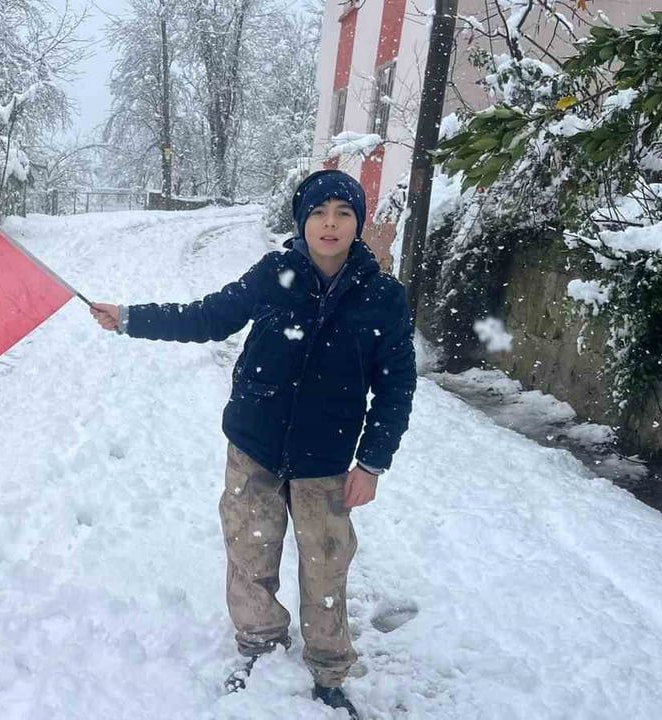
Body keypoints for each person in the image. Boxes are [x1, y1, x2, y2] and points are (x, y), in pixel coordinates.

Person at [89, 170, 416, 717]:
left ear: (358, 223)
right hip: (254, 446)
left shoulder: (382, 298)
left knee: (326, 564)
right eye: (318, 212)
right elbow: (208, 317)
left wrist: (372, 462)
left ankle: (329, 670)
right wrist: (129, 318)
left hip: (327, 458)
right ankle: (261, 646)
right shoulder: (274, 274)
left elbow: (397, 386)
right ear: (302, 221)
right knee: (249, 552)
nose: (330, 224)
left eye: (342, 213)